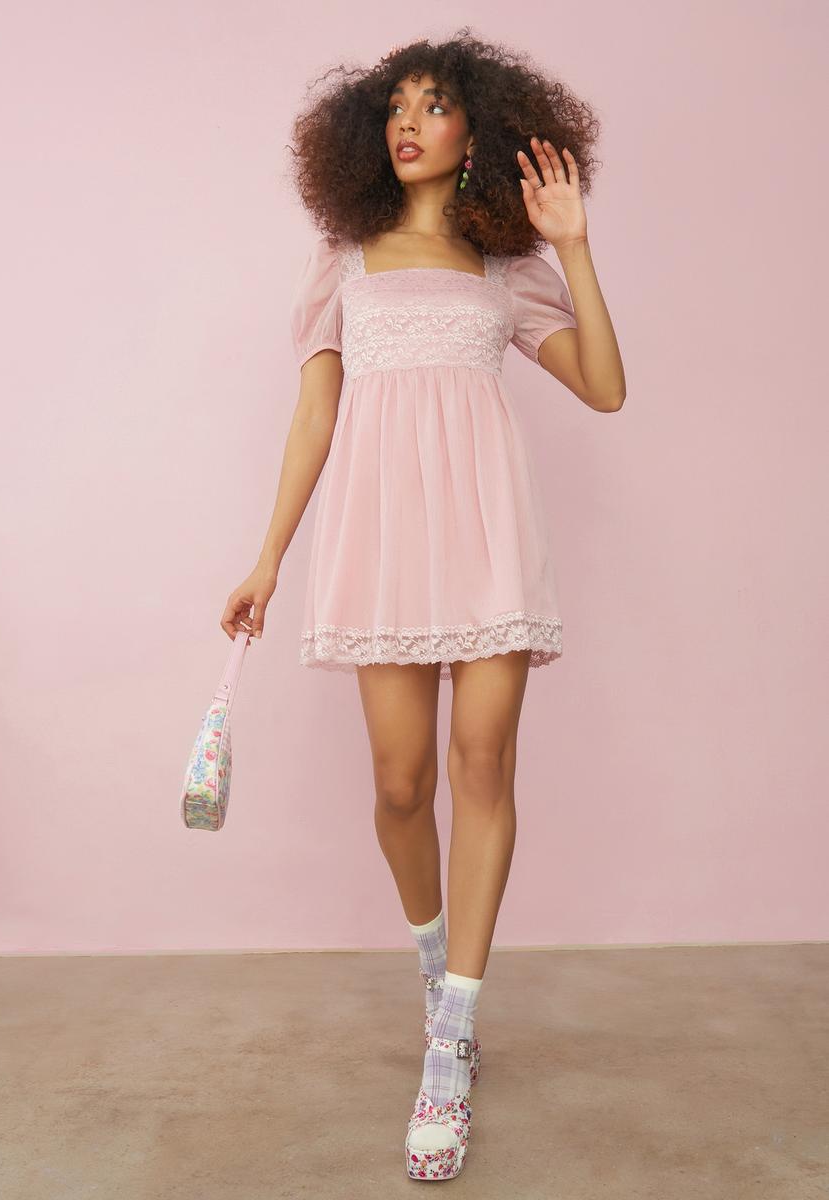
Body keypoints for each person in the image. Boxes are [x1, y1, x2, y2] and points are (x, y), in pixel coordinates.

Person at [220, 30, 625, 1181]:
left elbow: (605, 389)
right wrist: (267, 558)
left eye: (434, 104)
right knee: (400, 787)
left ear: (477, 129)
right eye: (394, 106)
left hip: (488, 541)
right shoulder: (345, 263)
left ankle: (450, 1039)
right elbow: (315, 417)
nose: (408, 122)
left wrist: (574, 247)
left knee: (481, 767)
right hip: (382, 542)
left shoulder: (506, 268)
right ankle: (438, 969)